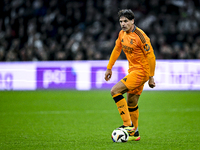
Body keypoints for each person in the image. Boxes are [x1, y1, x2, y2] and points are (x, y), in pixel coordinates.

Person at [104, 9, 156, 141]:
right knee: (131, 102)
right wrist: (109, 68)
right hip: (133, 71)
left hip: (141, 72)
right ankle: (135, 133)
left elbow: (151, 57)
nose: (123, 24)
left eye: (126, 21)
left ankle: (127, 125)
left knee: (115, 91)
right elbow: (116, 49)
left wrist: (151, 77)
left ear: (132, 21)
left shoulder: (141, 36)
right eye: (121, 21)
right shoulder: (121, 34)